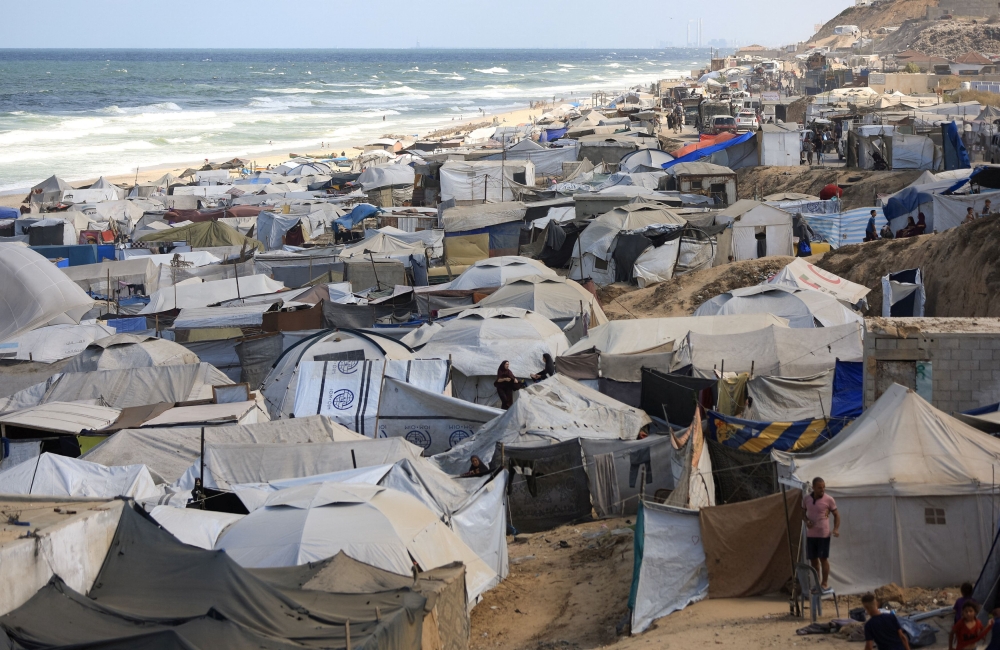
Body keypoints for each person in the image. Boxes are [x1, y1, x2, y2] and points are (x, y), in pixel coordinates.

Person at [803, 477, 839, 591]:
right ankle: (817, 583)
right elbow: (802, 512)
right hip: (811, 534)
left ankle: (824, 583)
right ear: (813, 488)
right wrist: (806, 520)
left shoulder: (829, 499)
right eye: (819, 488)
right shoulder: (806, 499)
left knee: (823, 558)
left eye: (823, 487)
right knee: (813, 559)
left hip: (823, 534)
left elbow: (836, 515)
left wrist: (836, 528)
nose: (822, 490)